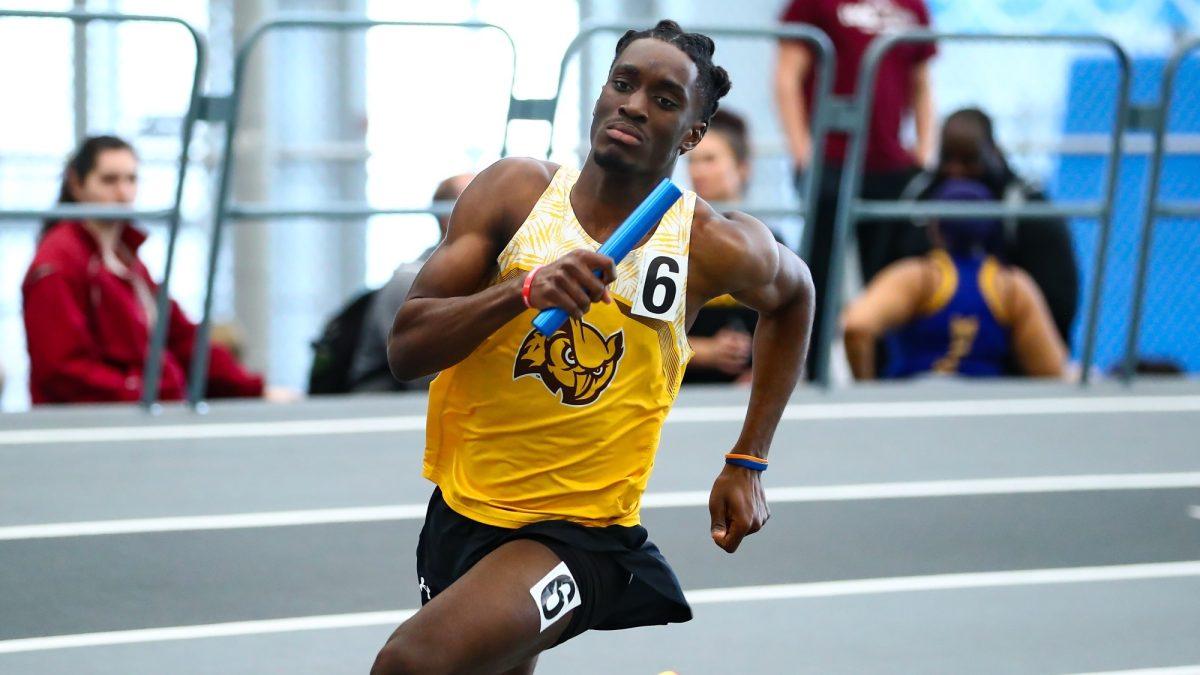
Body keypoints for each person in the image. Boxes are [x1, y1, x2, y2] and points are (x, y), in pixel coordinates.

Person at [372, 20, 815, 675]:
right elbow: (406, 349)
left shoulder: (706, 243)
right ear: (601, 96)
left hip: (581, 536)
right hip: (462, 509)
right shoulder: (512, 194)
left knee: (412, 664)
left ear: (692, 134)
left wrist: (749, 458)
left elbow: (795, 294)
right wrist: (522, 291)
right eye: (624, 84)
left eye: (664, 100)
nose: (634, 104)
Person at [22, 135, 280, 404]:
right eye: (109, 180)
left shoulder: (127, 262)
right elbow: (62, 371)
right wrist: (145, 392)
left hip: (139, 417)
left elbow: (181, 338)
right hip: (91, 428)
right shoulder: (59, 263)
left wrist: (254, 390)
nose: (123, 194)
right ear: (76, 183)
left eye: (131, 180)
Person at [775, 0, 937, 380]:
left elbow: (923, 84)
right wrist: (803, 153)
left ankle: (882, 376)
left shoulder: (912, 7)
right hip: (829, 161)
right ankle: (805, 376)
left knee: (888, 275)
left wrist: (925, 153)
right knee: (816, 274)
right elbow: (787, 76)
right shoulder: (813, 4)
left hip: (891, 166)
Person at [841, 178, 1066, 380]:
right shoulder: (1010, 286)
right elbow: (1052, 369)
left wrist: (867, 392)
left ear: (934, 227)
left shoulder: (919, 278)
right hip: (983, 410)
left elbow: (856, 327)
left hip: (912, 406)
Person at [898, 107, 1079, 344]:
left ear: (992, 153)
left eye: (968, 161)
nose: (956, 171)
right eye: (948, 159)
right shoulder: (919, 203)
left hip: (1008, 353)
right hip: (927, 346)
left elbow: (1058, 304)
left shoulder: (1028, 213)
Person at [347, 173, 474, 392]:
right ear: (449, 217)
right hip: (387, 414)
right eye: (480, 200)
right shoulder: (409, 281)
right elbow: (423, 373)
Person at [684, 109, 757, 383]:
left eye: (710, 160)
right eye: (693, 161)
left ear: (742, 168)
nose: (698, 171)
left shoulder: (771, 244)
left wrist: (760, 376)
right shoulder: (671, 242)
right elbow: (645, 334)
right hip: (681, 390)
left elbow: (789, 324)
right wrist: (707, 352)